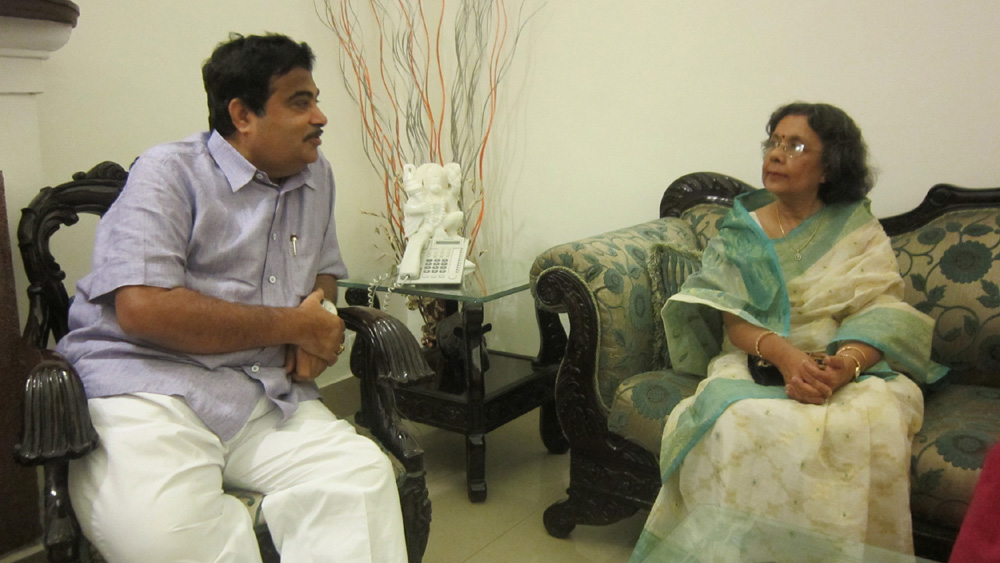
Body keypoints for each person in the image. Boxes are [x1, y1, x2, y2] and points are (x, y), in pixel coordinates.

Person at [57, 33, 407, 562]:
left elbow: (325, 272)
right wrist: (294, 326)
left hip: (260, 393)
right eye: (300, 101)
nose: (321, 118)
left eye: (316, 99)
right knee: (167, 537)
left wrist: (323, 316)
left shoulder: (316, 175)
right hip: (150, 388)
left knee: (358, 479)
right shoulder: (167, 172)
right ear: (243, 115)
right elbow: (142, 308)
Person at [630, 102, 948, 560]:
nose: (776, 155)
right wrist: (786, 357)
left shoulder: (858, 229)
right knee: (738, 420)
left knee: (865, 420)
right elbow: (733, 317)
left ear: (828, 166)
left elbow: (883, 308)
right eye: (773, 143)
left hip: (843, 362)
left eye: (794, 145)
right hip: (757, 357)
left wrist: (846, 366)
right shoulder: (742, 229)